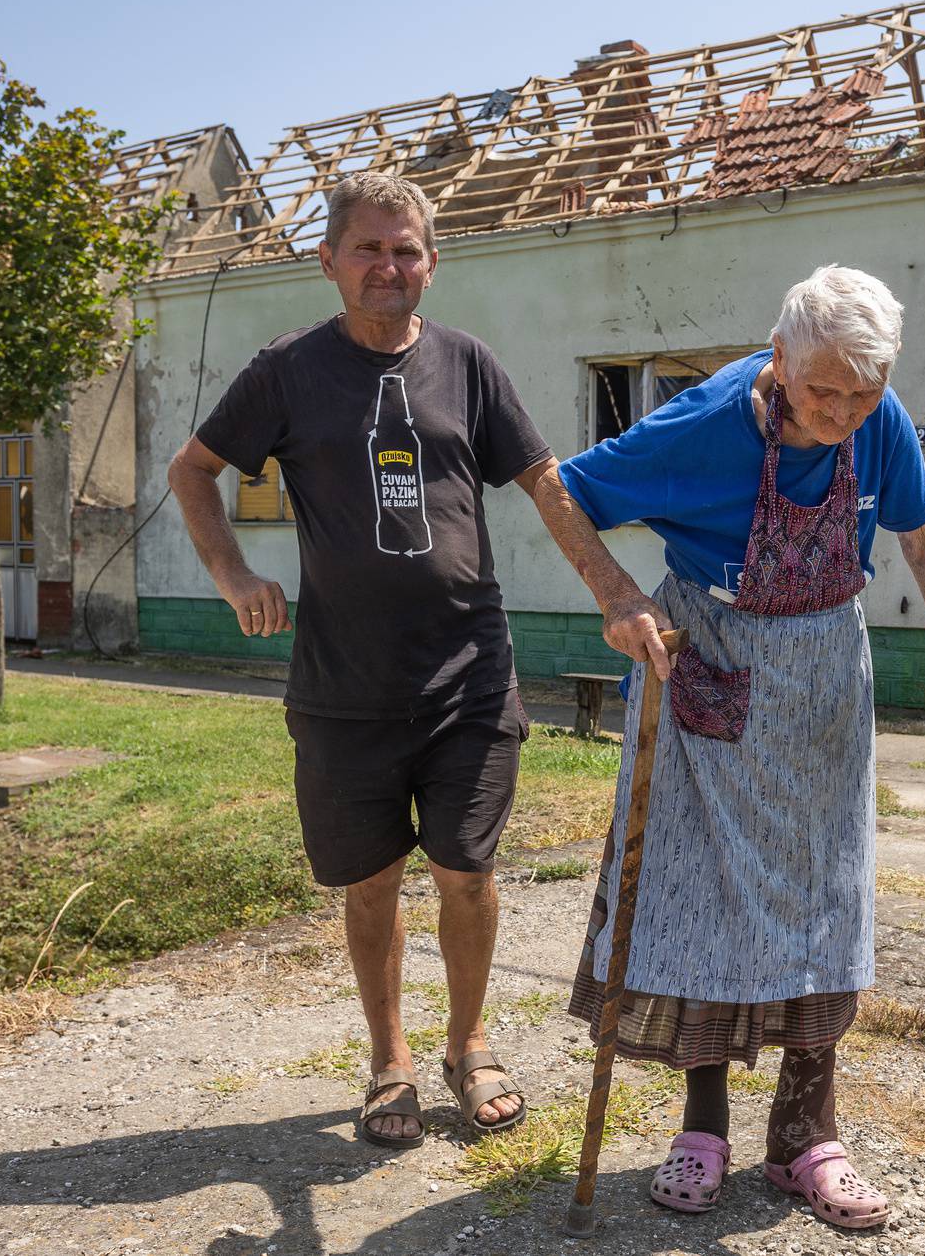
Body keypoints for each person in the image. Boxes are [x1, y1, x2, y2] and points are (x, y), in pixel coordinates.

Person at [534, 265, 925, 1229]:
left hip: (827, 673)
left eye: (861, 393)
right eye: (821, 389)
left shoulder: (876, 414)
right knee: (704, 894)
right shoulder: (703, 423)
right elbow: (560, 489)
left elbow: (923, 537)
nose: (841, 412)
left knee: (824, 898)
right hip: (708, 661)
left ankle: (805, 1141)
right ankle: (701, 1131)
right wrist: (618, 598)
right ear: (778, 357)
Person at [166, 173, 554, 1148]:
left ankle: (469, 1043)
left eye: (407, 249)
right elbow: (193, 470)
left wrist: (620, 582)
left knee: (466, 870)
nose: (390, 266)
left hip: (469, 672)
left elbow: (545, 479)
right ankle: (391, 1060)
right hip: (345, 688)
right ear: (331, 260)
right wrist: (231, 572)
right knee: (371, 882)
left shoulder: (469, 366)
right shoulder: (289, 370)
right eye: (370, 249)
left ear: (433, 260)